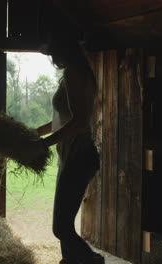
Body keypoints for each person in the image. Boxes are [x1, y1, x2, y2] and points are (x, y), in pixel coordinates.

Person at [28, 32, 104, 264]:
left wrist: (44, 144)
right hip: (72, 154)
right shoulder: (79, 74)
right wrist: (34, 134)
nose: (53, 61)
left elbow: (80, 121)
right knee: (64, 225)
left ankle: (92, 260)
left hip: (78, 154)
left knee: (60, 228)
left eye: (53, 55)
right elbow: (64, 118)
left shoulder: (73, 74)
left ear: (63, 53)